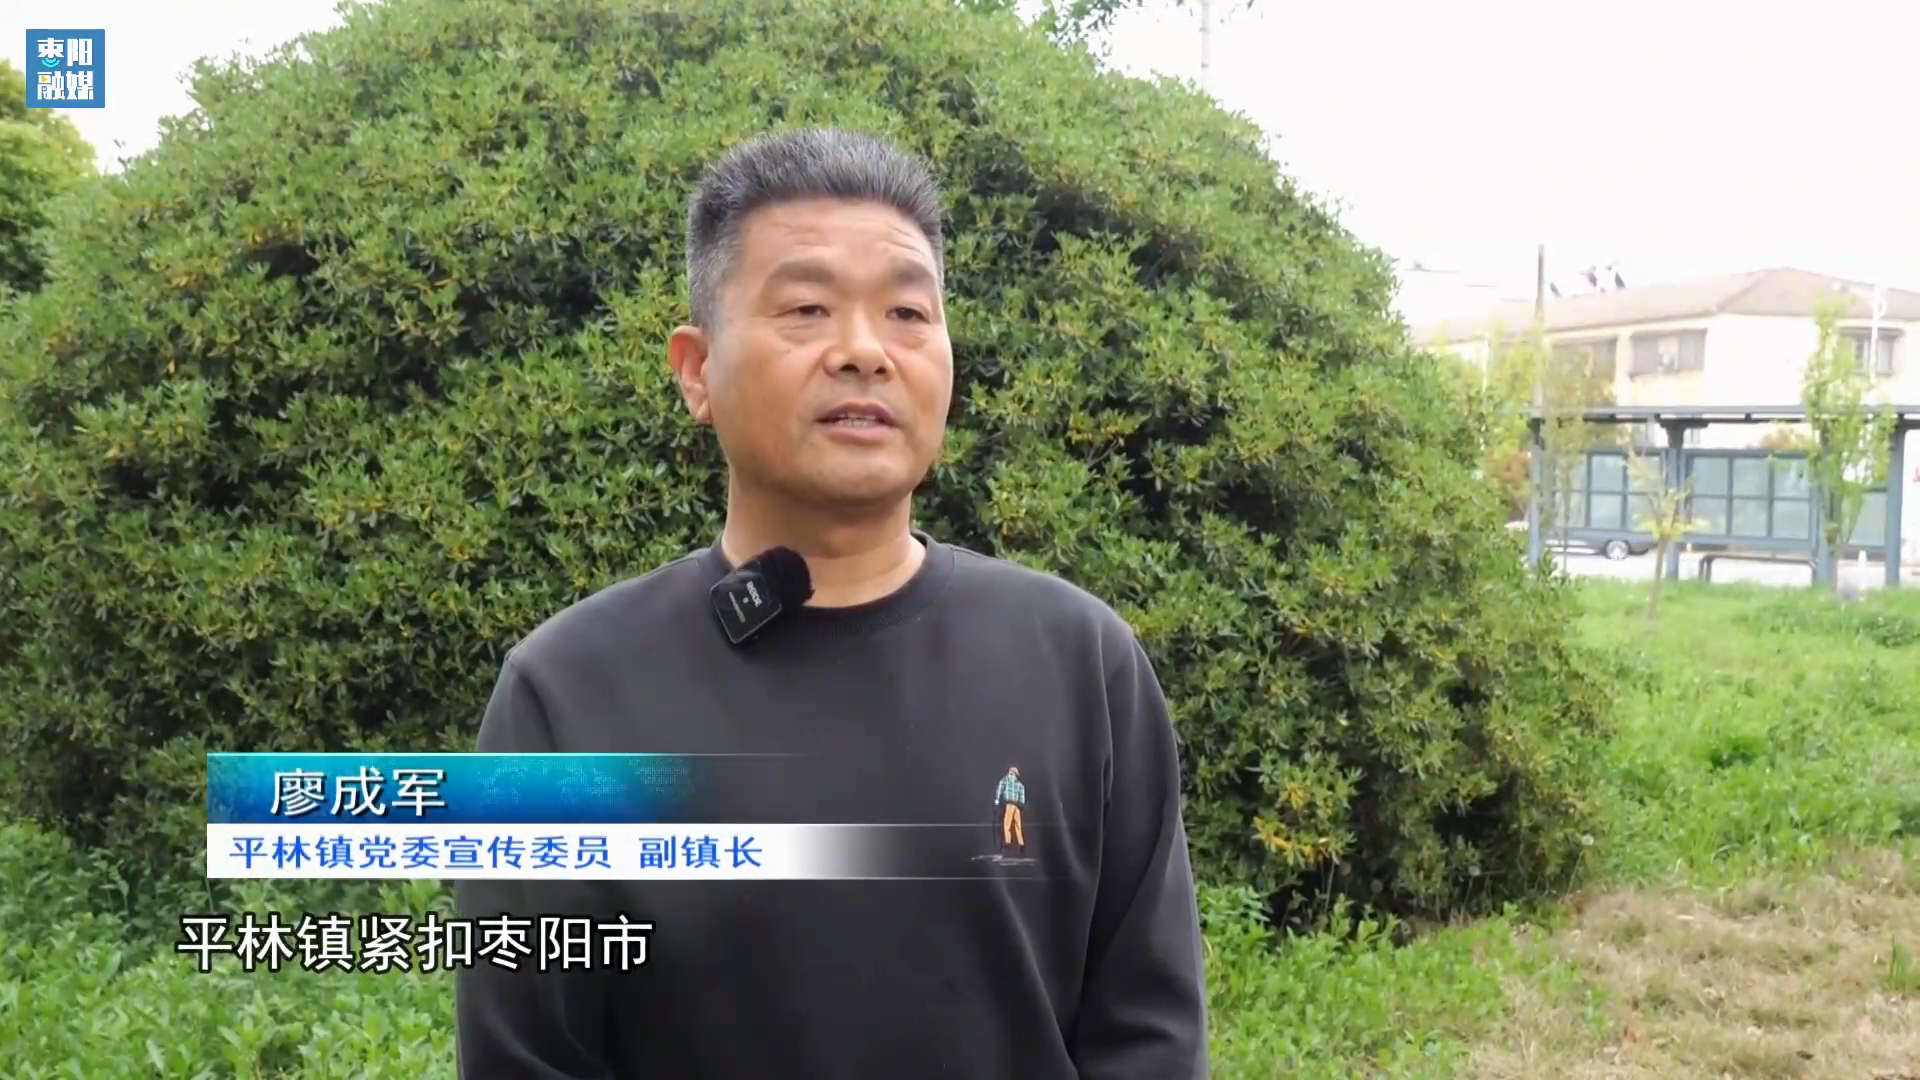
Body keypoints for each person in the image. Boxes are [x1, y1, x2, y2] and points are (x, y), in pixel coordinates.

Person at [454, 126, 1207, 1079]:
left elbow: (1148, 1039)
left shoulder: (1079, 662)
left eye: (906, 312)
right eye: (807, 308)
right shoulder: (566, 697)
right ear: (696, 370)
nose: (864, 352)